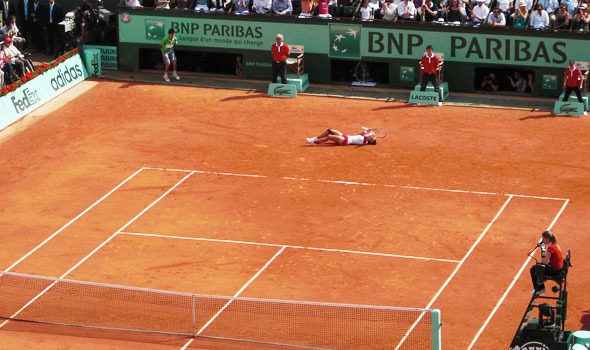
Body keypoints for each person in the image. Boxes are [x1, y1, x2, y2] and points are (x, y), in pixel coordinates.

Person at [529, 230, 564, 295]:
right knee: (538, 267)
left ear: (547, 239)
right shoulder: (555, 244)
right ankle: (542, 283)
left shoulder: (551, 247)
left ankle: (541, 289)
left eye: (543, 238)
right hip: (558, 268)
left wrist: (542, 250)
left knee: (534, 269)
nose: (542, 240)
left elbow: (544, 262)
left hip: (555, 271)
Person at [306, 128, 377, 146]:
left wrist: (369, 133)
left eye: (372, 138)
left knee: (329, 137)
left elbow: (365, 136)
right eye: (372, 137)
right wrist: (367, 130)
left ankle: (313, 141)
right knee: (329, 130)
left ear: (370, 141)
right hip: (344, 136)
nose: (371, 137)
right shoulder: (364, 137)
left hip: (345, 141)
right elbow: (361, 133)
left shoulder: (365, 142)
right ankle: (316, 138)